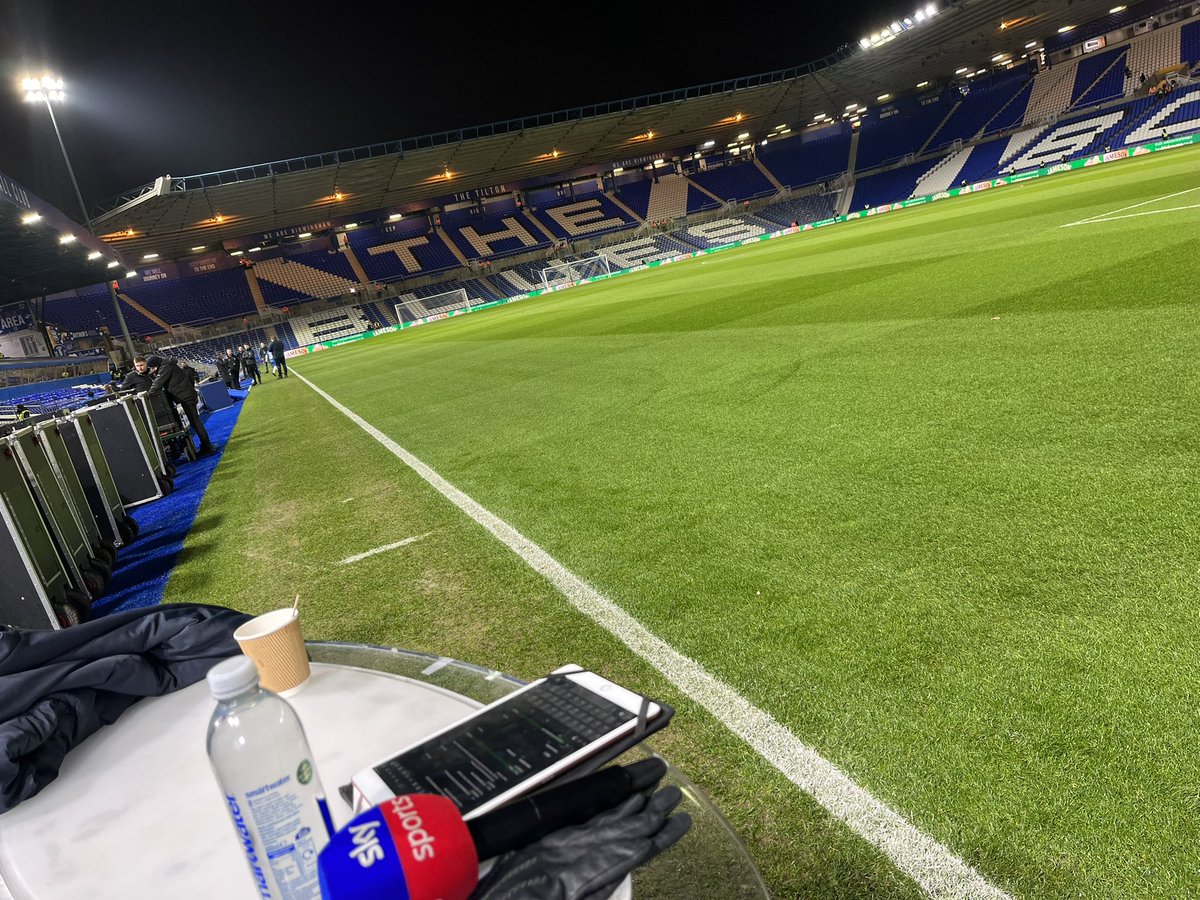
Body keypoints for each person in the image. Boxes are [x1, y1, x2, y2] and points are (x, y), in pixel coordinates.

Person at [145, 355, 215, 457]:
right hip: (186, 395)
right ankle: (206, 445)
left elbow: (158, 383)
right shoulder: (167, 364)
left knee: (195, 422)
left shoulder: (165, 367)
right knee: (195, 422)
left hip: (186, 397)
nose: (152, 369)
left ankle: (207, 446)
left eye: (152, 367)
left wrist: (148, 394)